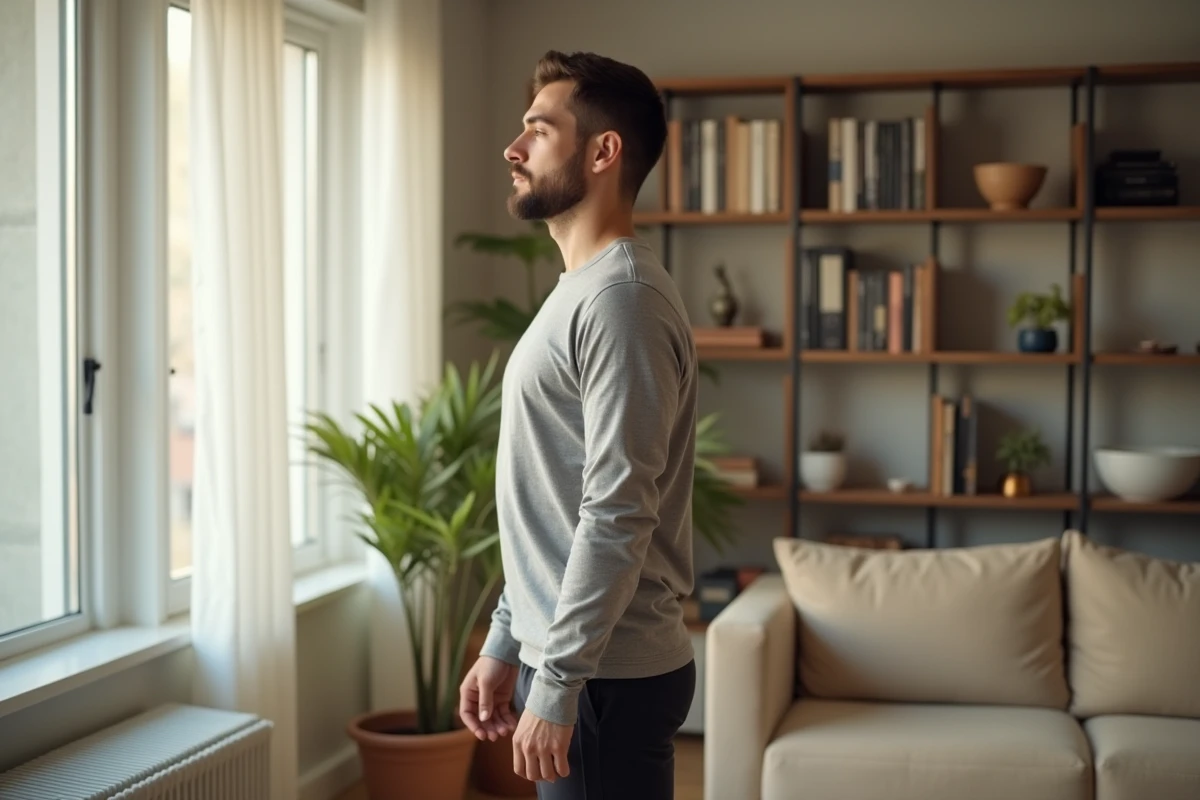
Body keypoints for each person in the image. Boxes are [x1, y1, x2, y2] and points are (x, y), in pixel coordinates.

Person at [458, 50, 698, 800]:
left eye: (538, 129)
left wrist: (558, 681)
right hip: (577, 661)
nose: (513, 148)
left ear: (603, 151)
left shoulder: (620, 299)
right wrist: (506, 637)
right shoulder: (581, 291)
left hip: (603, 674)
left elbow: (618, 511)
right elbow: (551, 502)